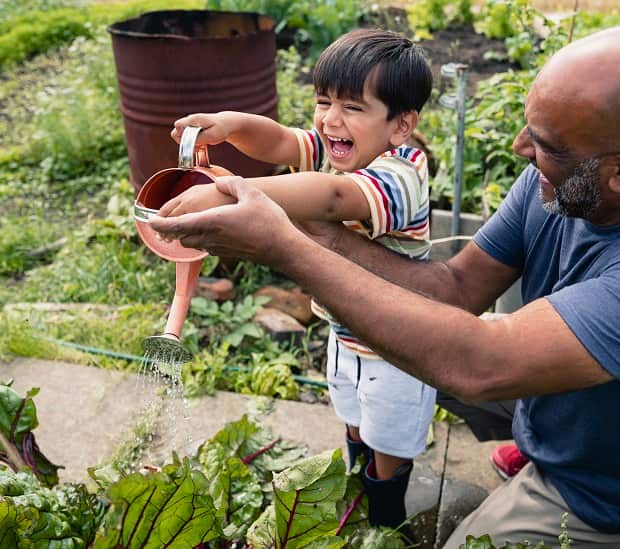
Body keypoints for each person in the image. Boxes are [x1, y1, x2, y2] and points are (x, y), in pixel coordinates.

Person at [150, 25, 620, 548]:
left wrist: (282, 242)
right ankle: (536, 437)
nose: (521, 152)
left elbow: (479, 365)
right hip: (542, 388)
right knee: (433, 350)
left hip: (608, 489)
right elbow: (452, 291)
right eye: (530, 129)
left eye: (545, 146)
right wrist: (317, 234)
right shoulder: (558, 183)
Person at [156, 29, 434, 530]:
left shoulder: (402, 173)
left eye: (352, 107)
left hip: (400, 346)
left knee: (389, 440)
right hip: (344, 333)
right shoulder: (336, 149)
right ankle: (356, 489)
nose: (330, 119)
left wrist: (228, 194)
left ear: (400, 125)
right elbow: (282, 140)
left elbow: (333, 198)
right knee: (352, 416)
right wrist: (230, 126)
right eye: (323, 102)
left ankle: (389, 519)